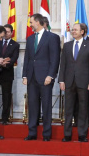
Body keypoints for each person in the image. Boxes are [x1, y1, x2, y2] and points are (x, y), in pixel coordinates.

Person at [22, 13, 60, 141]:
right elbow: (27, 58)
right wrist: (24, 75)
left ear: (37, 22)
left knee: (46, 105)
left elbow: (55, 59)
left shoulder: (52, 37)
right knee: (32, 106)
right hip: (32, 77)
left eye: (31, 22)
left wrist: (51, 75)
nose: (30, 24)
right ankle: (32, 133)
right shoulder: (30, 38)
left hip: (45, 77)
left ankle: (46, 134)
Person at [59, 23, 89, 142]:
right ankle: (67, 135)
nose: (73, 31)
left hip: (84, 82)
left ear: (82, 31)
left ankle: (82, 135)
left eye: (76, 30)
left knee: (83, 109)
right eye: (72, 30)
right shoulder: (67, 45)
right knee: (68, 109)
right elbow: (63, 64)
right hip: (69, 81)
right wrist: (61, 80)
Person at [0, 24, 20, 125]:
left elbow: (13, 59)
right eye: (4, 32)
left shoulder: (15, 45)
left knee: (6, 96)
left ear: (12, 33)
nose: (6, 34)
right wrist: (1, 61)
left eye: (8, 32)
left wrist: (4, 63)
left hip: (7, 73)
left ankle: (5, 118)